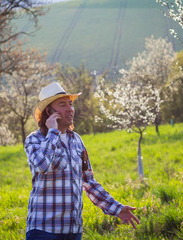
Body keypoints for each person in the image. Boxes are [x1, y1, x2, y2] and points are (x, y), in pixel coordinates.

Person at [24, 82, 140, 240]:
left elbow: (89, 182)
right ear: (49, 111)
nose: (70, 109)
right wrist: (52, 132)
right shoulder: (35, 140)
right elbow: (41, 166)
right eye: (62, 104)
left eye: (70, 104)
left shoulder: (76, 140)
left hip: (73, 231)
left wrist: (117, 209)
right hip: (44, 231)